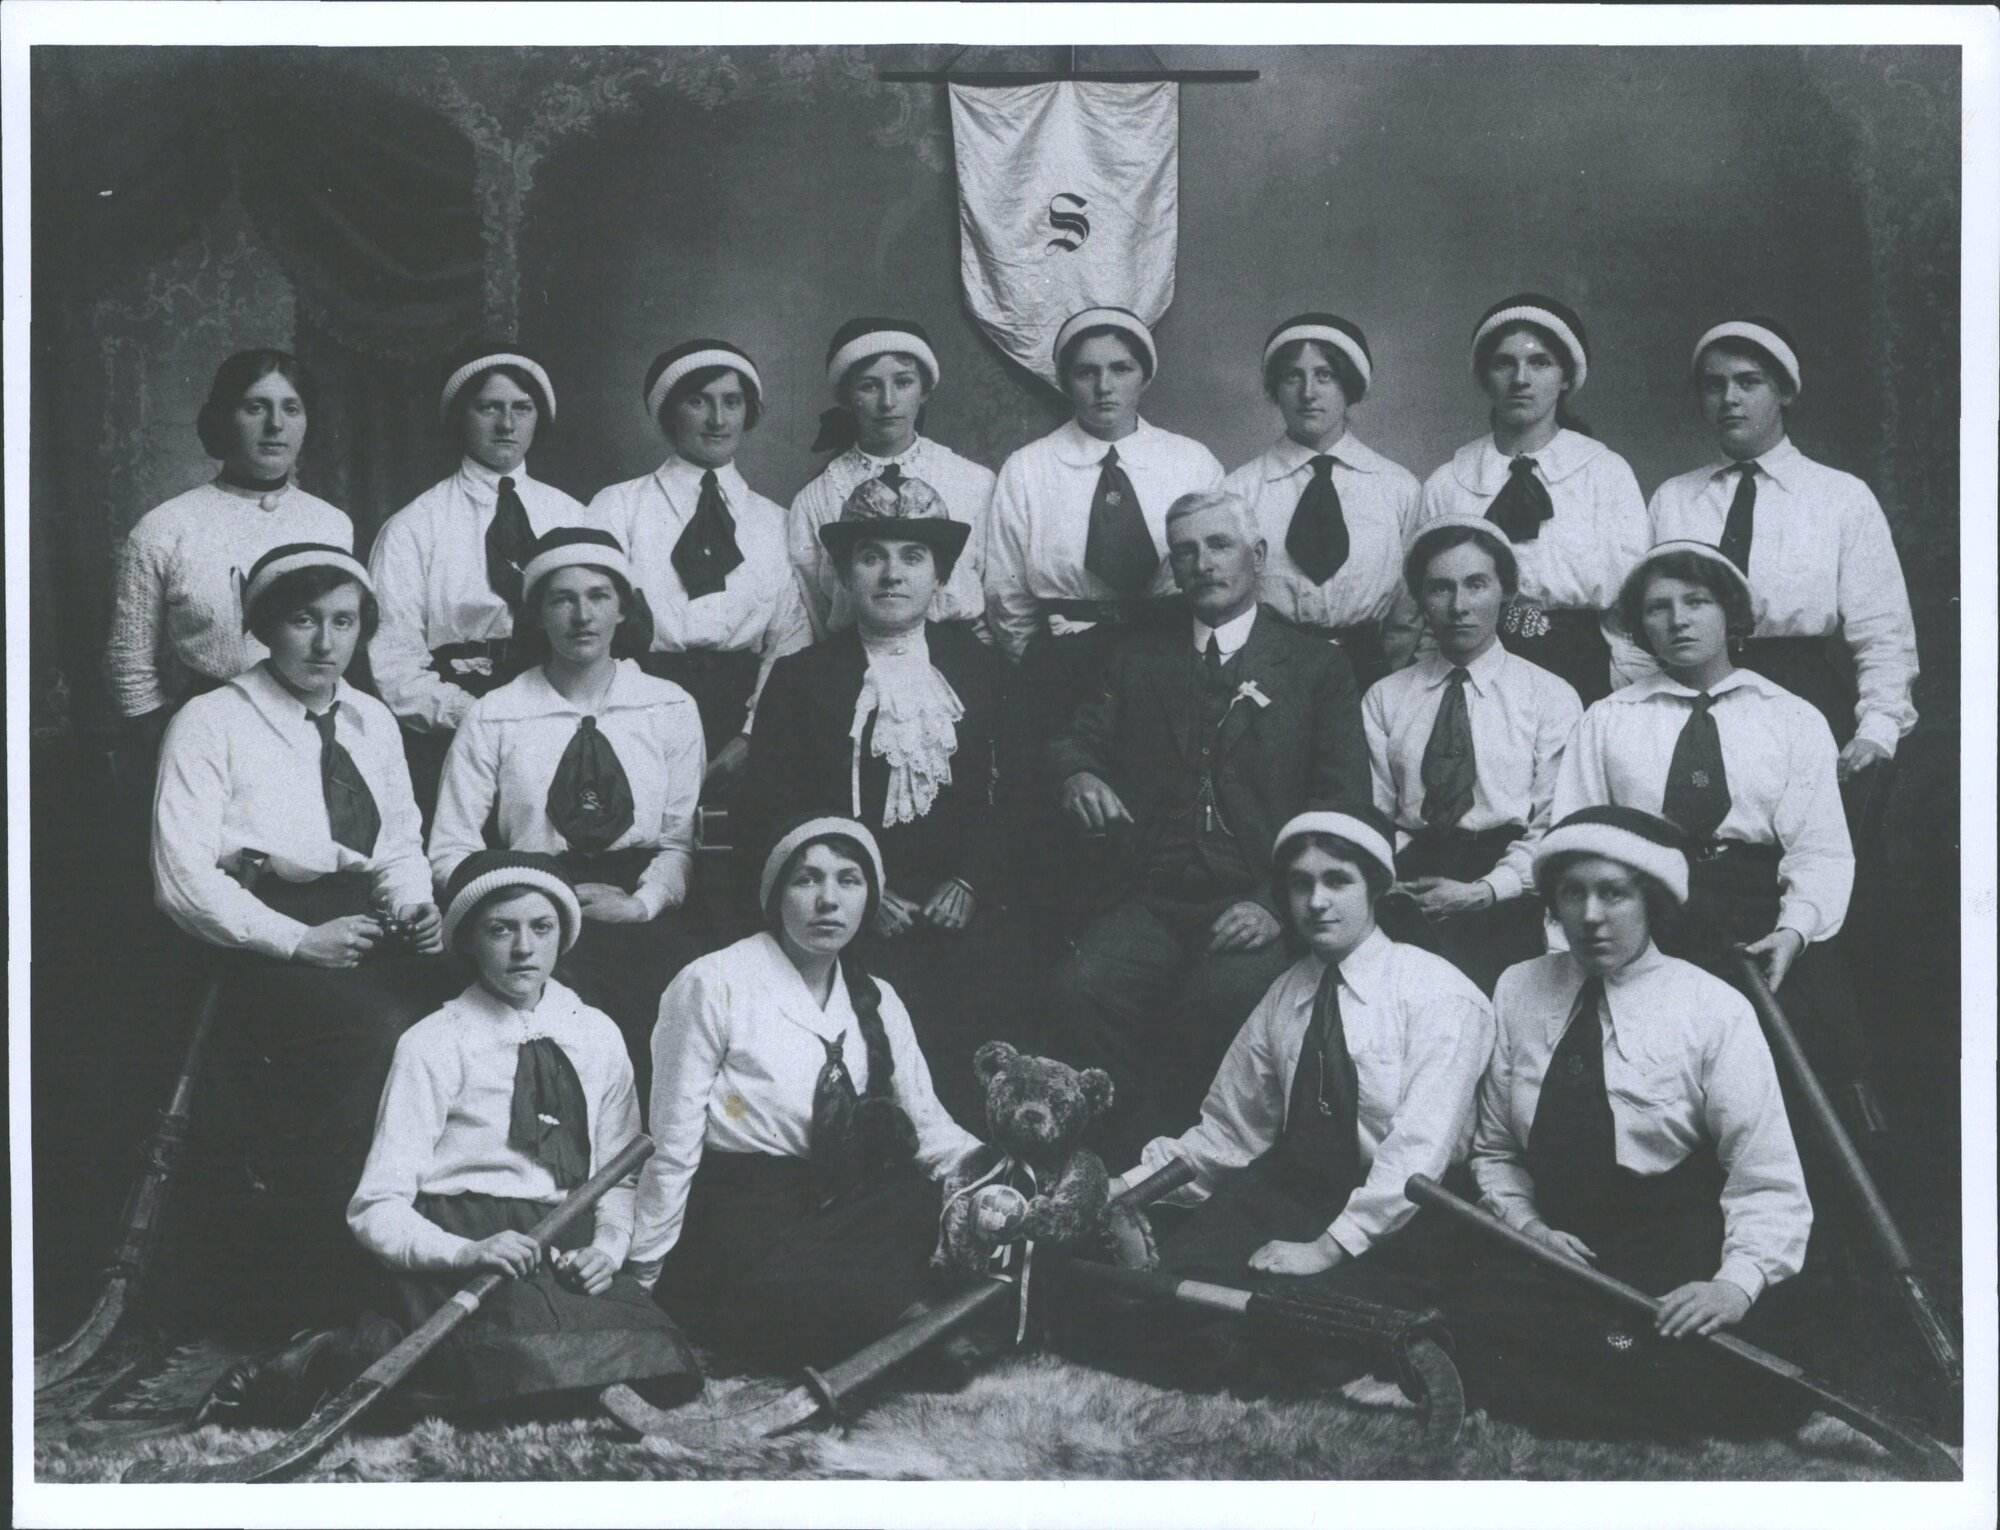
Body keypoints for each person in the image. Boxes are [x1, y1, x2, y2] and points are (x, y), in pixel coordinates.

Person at [196, 851, 702, 1426]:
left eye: (541, 928)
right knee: (508, 1365)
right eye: (500, 929)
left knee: (660, 1362)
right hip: (464, 1241)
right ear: (468, 939)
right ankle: (319, 1360)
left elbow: (617, 1175)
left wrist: (606, 1251)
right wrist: (466, 1252)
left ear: (564, 936)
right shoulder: (434, 1042)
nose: (523, 949)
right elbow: (376, 1207)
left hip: (563, 1239)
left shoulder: (598, 1035)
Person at [1445, 805, 1815, 1439]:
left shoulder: (1713, 1009)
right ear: (1553, 904)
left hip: (1664, 1246)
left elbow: (1767, 1179)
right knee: (1459, 1330)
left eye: (1613, 893)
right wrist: (1528, 1225)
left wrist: (1732, 1286)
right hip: (1553, 1247)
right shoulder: (1518, 988)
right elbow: (1497, 1148)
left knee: (1695, 1375)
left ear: (1652, 902)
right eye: (1572, 893)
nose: (1589, 916)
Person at [1094, 807, 1493, 1393]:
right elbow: (1229, 1133)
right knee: (1170, 1297)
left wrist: (1328, 1249)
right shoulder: (1287, 993)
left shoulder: (1439, 994)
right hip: (1295, 1193)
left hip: (1402, 1216)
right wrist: (1123, 1190)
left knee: (1281, 1332)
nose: (1316, 902)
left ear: (1376, 887)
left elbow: (1417, 1154)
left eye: (1337, 880)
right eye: (1301, 884)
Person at [1044, 490, 1370, 1162]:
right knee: (1083, 986)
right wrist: (1080, 774)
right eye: (1185, 551)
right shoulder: (1139, 655)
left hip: (1253, 896)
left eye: (1218, 545)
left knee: (1218, 1001)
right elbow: (1076, 740)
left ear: (1257, 555)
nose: (1202, 563)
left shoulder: (1316, 666)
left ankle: (1200, 1165)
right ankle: (1127, 1158)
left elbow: (1342, 803)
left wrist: (1277, 905)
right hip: (1149, 895)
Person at [152, 543, 453, 1239]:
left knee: (471, 1003)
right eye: (304, 621)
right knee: (381, 1033)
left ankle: (446, 1231)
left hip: (366, 922)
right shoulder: (210, 722)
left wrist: (418, 905)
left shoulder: (372, 721)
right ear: (263, 627)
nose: (325, 643)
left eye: (344, 622)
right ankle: (326, 1264)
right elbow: (182, 879)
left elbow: (399, 843)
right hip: (254, 941)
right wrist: (298, 942)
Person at [1554, 539, 1872, 1181]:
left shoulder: (1792, 717)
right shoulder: (1608, 720)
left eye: (1696, 601)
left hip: (1760, 920)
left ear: (1730, 612)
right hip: (1647, 916)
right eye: (1657, 608)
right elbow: (1576, 841)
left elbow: (1820, 849)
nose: (1678, 620)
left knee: (1790, 1071)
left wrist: (1793, 931)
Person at [629, 817, 981, 1371]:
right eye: (807, 880)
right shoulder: (712, 982)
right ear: (775, 895)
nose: (828, 901)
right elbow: (671, 1144)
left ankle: (891, 1320)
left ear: (869, 896)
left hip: (843, 1211)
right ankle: (911, 1326)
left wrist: (1007, 1173)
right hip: (743, 1220)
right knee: (779, 1286)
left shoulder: (880, 998)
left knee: (920, 1200)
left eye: (848, 881)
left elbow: (931, 1129)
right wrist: (641, 1278)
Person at [745, 473, 1008, 1126]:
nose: (892, 575)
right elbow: (776, 811)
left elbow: (1017, 797)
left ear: (939, 575)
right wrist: (861, 891)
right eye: (872, 556)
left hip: (961, 901)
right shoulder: (802, 678)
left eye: (912, 557)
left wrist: (971, 882)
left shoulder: (982, 670)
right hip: (849, 910)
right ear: (843, 573)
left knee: (992, 996)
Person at [429, 528, 705, 1090]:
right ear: (537, 614)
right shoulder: (496, 714)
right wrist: (521, 905)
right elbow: (451, 847)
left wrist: (642, 905)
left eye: (599, 596)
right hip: (528, 903)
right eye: (562, 598)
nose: (583, 615)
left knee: (686, 1001)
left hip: (635, 899)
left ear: (623, 609)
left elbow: (679, 841)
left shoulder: (669, 706)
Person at [1647, 318, 1917, 783]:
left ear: (1785, 392)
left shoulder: (1840, 496)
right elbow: (1637, 622)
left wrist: (1878, 728)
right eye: (1715, 385)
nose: (1730, 398)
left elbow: (1884, 631)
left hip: (1801, 696)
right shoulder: (1674, 497)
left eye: (1749, 382)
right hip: (1690, 696)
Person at [105, 348, 352, 803]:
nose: (275, 425)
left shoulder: (332, 524)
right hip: (204, 740)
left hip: (310, 731)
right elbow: (129, 665)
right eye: (255, 407)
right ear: (224, 418)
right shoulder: (165, 527)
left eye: (291, 408)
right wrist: (170, 745)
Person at [367, 341, 593, 818]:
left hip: (559, 721)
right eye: (488, 407)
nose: (507, 425)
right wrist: (478, 717)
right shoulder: (413, 526)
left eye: (521, 408)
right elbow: (393, 665)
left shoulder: (573, 517)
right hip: (451, 731)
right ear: (459, 416)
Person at [985, 306, 1226, 752]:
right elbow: (1006, 592)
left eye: (1121, 368)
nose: (1104, 386)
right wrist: (1043, 663)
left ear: (1145, 376)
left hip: (1170, 655)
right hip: (1064, 664)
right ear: (1064, 381)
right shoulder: (1028, 468)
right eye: (1086, 372)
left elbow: (1221, 573)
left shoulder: (1191, 462)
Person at [1364, 515, 1581, 993]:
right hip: (1408, 883)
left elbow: (1555, 821)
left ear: (1506, 590)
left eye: (1476, 585)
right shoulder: (1385, 697)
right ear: (1421, 599)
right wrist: (1383, 877)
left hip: (1506, 884)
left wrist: (1486, 891)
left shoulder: (1549, 695)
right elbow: (1375, 810)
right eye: (1440, 588)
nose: (1458, 606)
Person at [587, 338, 812, 795]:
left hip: (744, 715)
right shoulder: (618, 507)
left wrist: (752, 734)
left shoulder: (774, 521)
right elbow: (593, 622)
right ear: (669, 411)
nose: (718, 419)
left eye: (732, 402)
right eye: (698, 401)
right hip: (638, 709)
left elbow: (788, 639)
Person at [1415, 294, 1651, 705]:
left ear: (1565, 377)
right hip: (1472, 667)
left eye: (1539, 362)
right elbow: (1423, 607)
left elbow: (1631, 603)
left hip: (1580, 667)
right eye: (1504, 363)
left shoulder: (1605, 473)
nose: (1520, 378)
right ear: (1487, 377)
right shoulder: (1448, 483)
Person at [1223, 312, 1422, 692]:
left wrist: (1388, 677)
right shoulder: (1240, 490)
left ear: (1350, 386)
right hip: (1267, 669)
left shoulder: (1398, 488)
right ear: (1275, 388)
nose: (1308, 392)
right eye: (1292, 376)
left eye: (1325, 375)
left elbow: (1409, 608)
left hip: (1368, 671)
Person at [788, 317, 995, 644]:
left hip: (961, 660)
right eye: (869, 386)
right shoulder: (815, 499)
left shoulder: (974, 481)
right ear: (847, 397)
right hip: (853, 664)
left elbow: (998, 597)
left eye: (903, 382)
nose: (888, 402)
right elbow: (814, 614)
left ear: (924, 391)